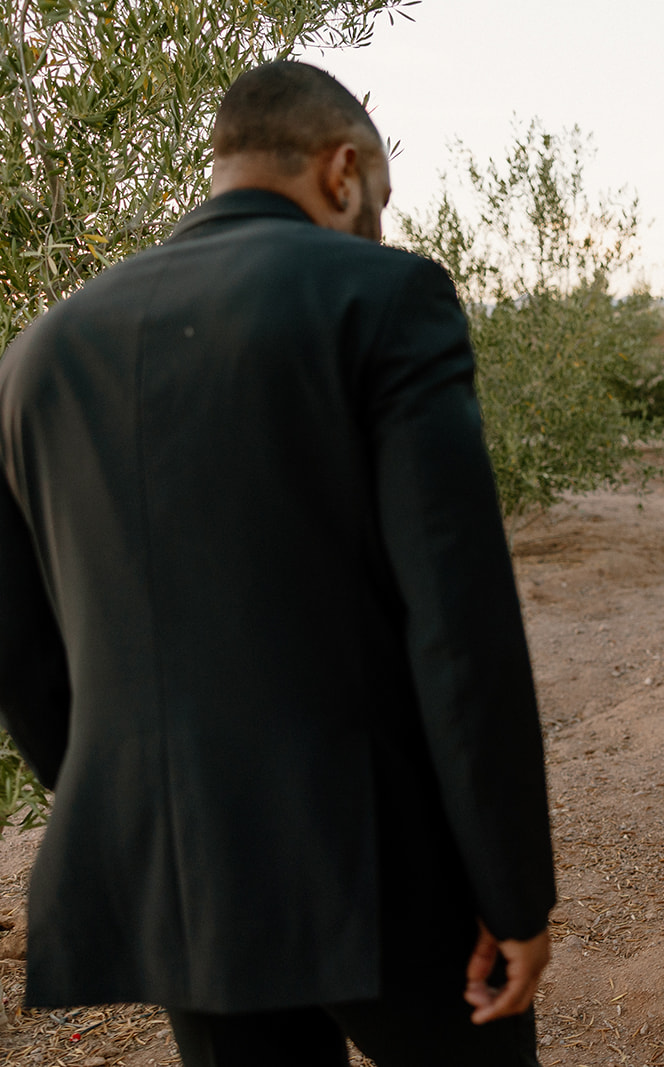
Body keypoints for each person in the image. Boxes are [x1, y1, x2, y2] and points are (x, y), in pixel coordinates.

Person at [0, 61, 554, 1066]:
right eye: (379, 199)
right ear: (343, 169)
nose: (378, 225)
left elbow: (22, 655)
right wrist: (512, 889)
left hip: (178, 880)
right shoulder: (384, 297)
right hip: (374, 865)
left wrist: (141, 816)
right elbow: (459, 626)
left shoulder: (40, 352)